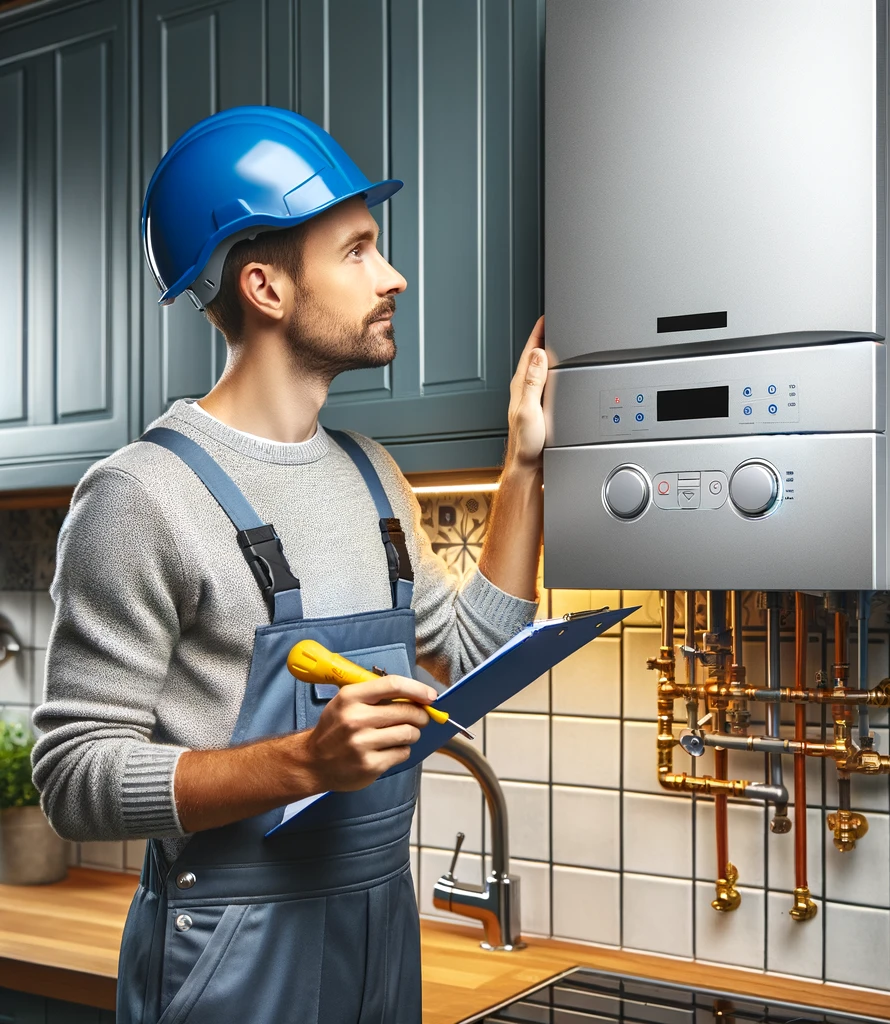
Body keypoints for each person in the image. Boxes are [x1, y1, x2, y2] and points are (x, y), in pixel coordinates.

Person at [30, 106, 546, 1023]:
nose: (393, 277)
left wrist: (524, 464)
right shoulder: (141, 497)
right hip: (224, 949)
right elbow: (74, 777)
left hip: (380, 930)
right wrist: (306, 761)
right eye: (356, 251)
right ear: (265, 287)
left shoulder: (373, 474)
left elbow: (461, 662)